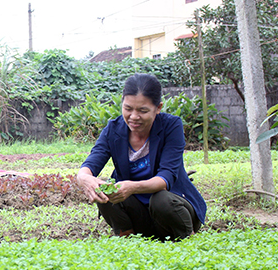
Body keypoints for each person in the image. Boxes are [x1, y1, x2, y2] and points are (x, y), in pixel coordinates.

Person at [76, 73, 206, 242]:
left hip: (173, 208)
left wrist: (132, 187)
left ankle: (184, 237)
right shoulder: (113, 129)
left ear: (158, 108)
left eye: (143, 110)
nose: (134, 117)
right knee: (106, 191)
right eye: (128, 109)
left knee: (160, 199)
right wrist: (84, 178)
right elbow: (92, 162)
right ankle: (129, 239)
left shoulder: (171, 126)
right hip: (139, 213)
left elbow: (166, 178)